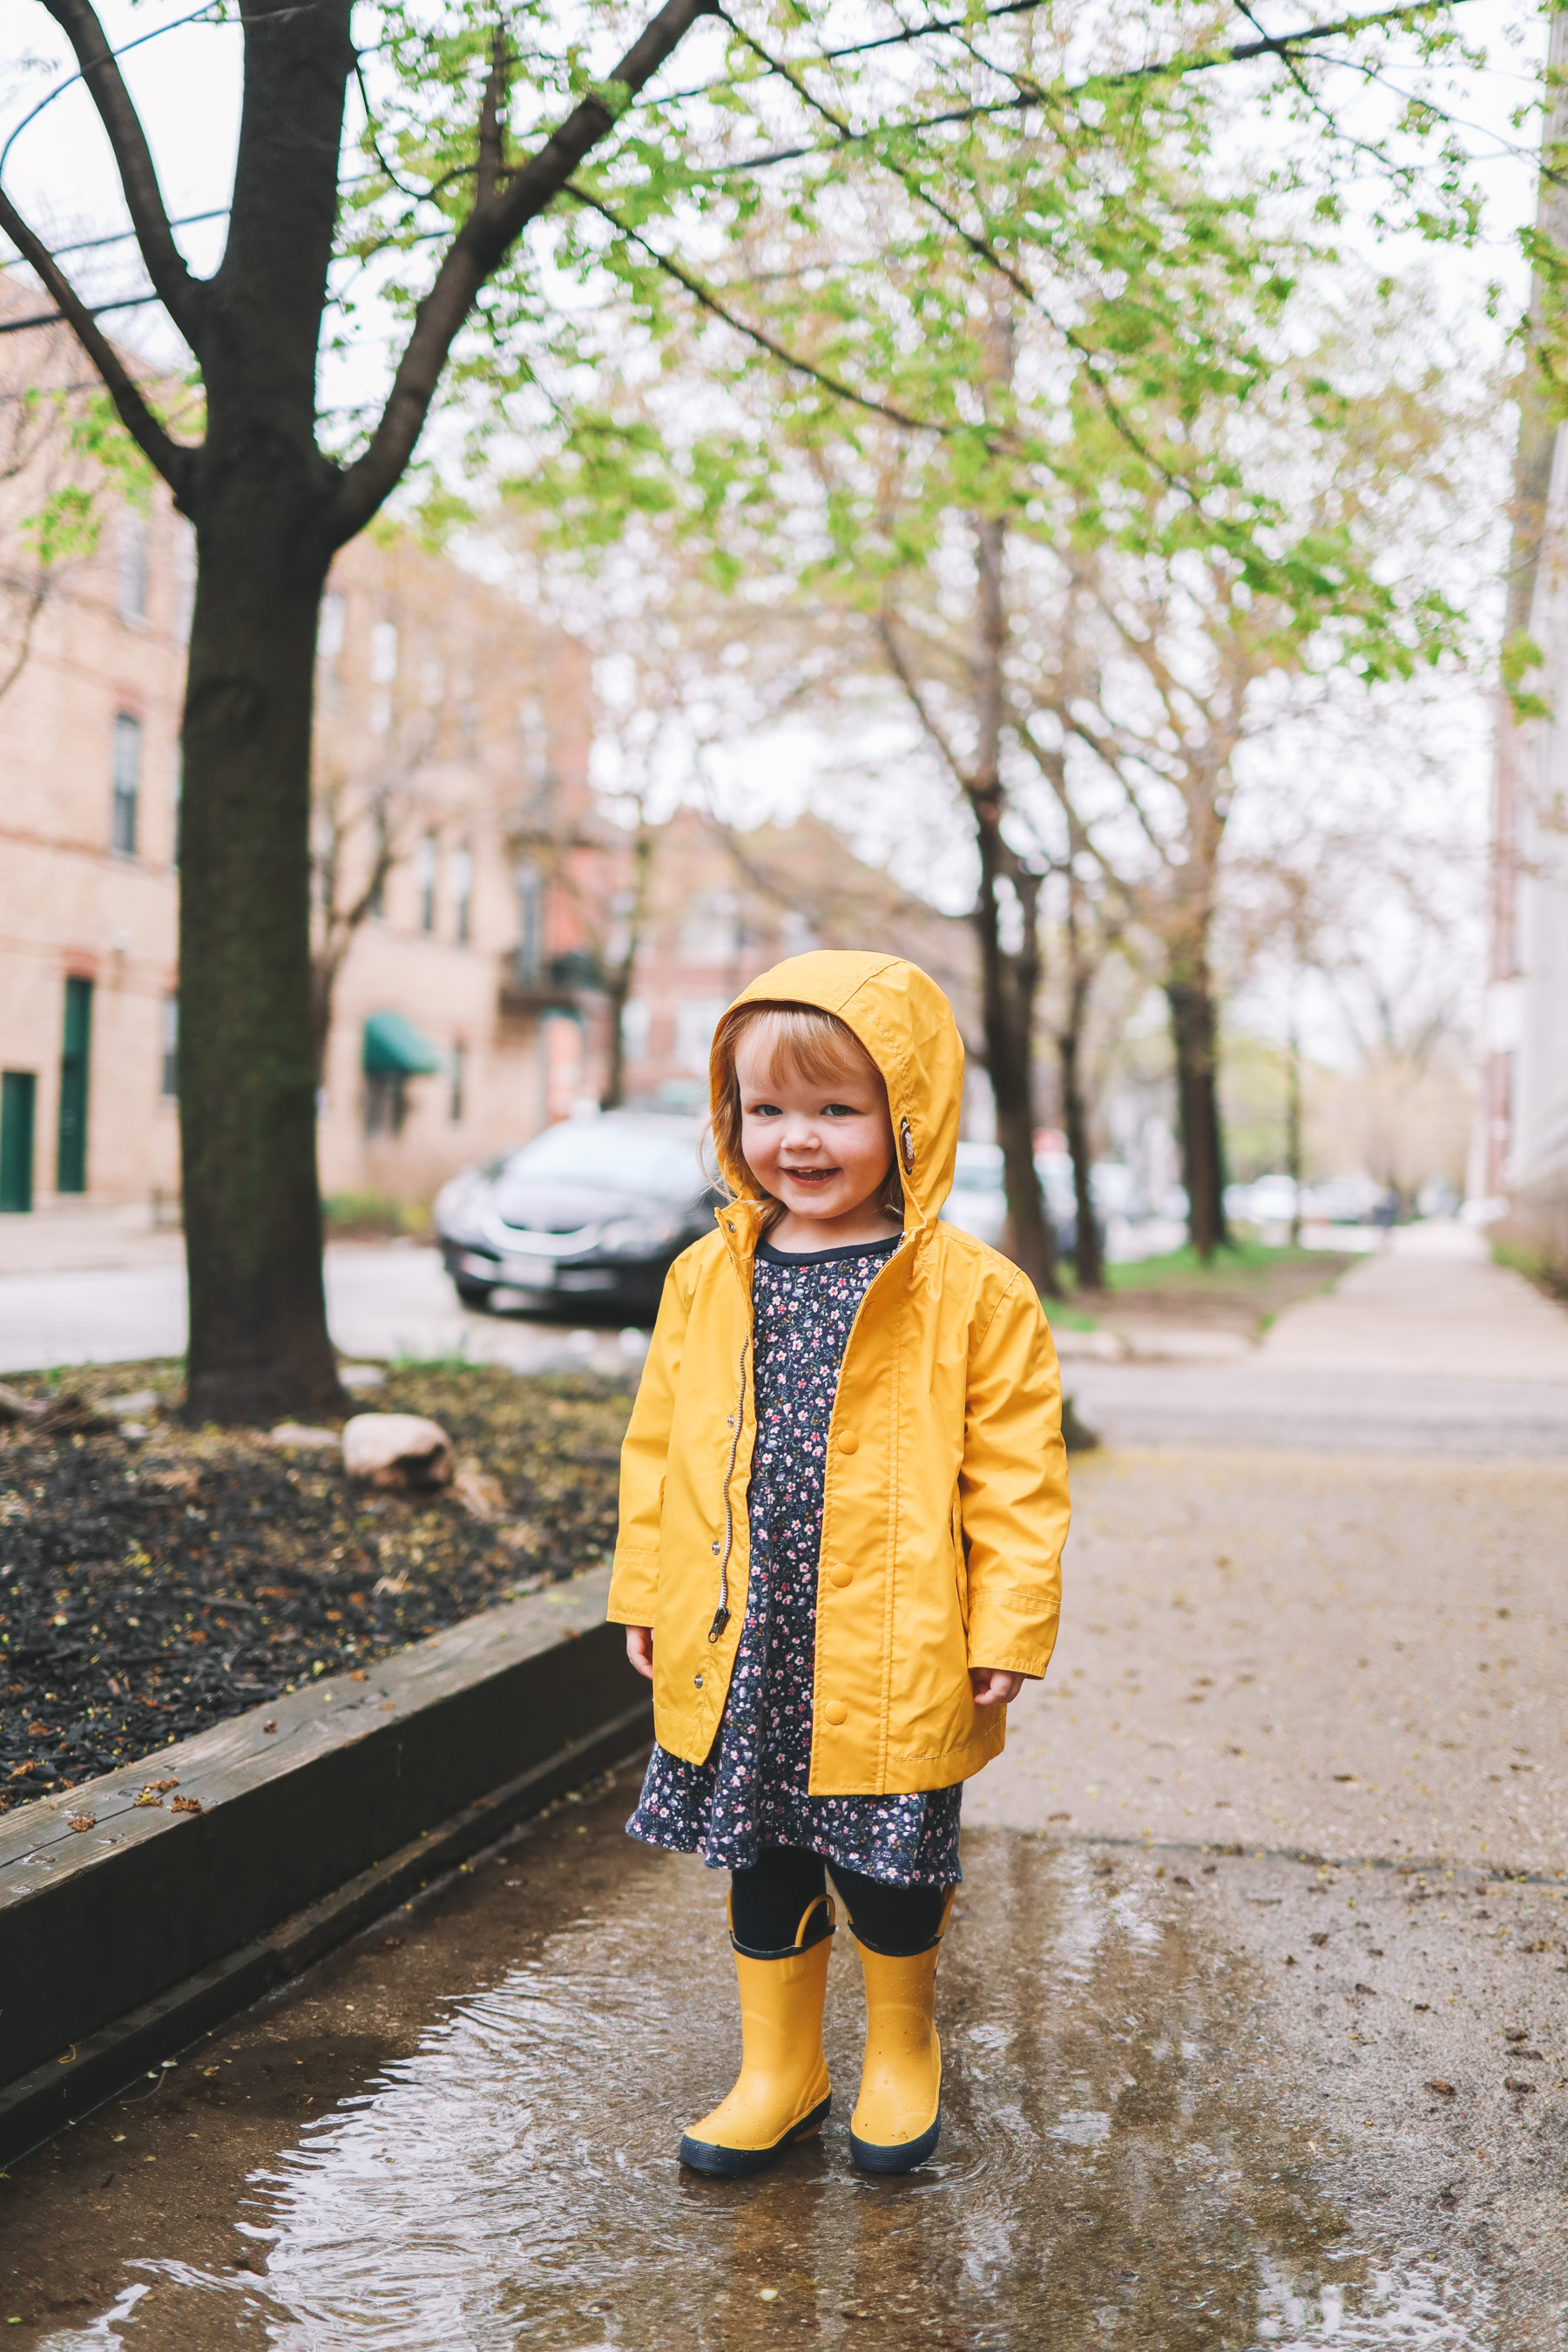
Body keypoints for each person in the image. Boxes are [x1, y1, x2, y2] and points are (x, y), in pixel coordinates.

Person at [607, 950, 1070, 2178]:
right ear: (729, 1117)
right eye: (767, 1110)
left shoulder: (973, 1295)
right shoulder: (710, 1277)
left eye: (836, 1110)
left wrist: (1006, 1626)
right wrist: (648, 1589)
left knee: (893, 1858)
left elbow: (1017, 1480)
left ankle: (901, 2049)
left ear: (907, 1118)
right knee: (763, 1849)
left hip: (895, 1633)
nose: (796, 1141)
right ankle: (780, 2066)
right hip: (748, 1628)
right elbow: (661, 1450)